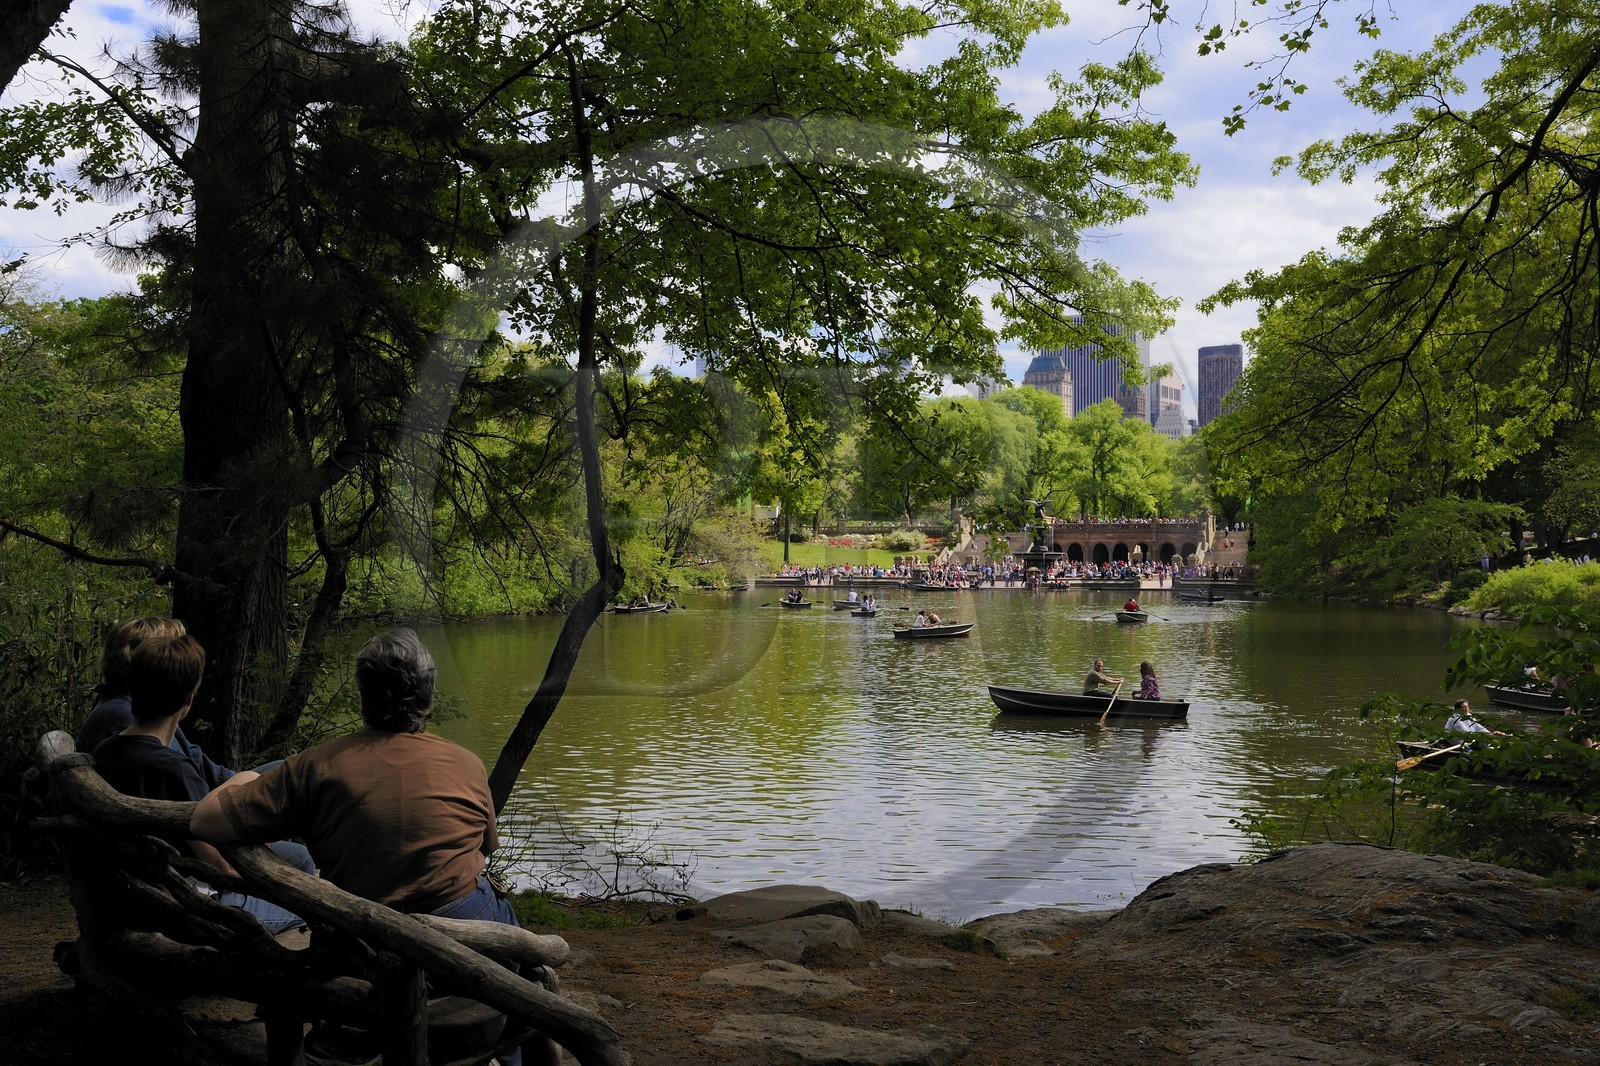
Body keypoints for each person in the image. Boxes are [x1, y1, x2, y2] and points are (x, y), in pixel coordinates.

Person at [192, 627, 526, 1064]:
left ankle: (349, 1037)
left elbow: (203, 819)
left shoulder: (314, 766)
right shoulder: (465, 762)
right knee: (514, 955)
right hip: (462, 928)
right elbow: (489, 847)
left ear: (364, 694)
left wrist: (243, 779)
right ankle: (508, 1047)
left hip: (358, 938)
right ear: (428, 694)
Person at [91, 634, 305, 935]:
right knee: (311, 899)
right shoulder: (173, 770)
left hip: (135, 895)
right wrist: (242, 785)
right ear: (189, 700)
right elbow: (224, 868)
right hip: (191, 911)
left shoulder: (106, 752)